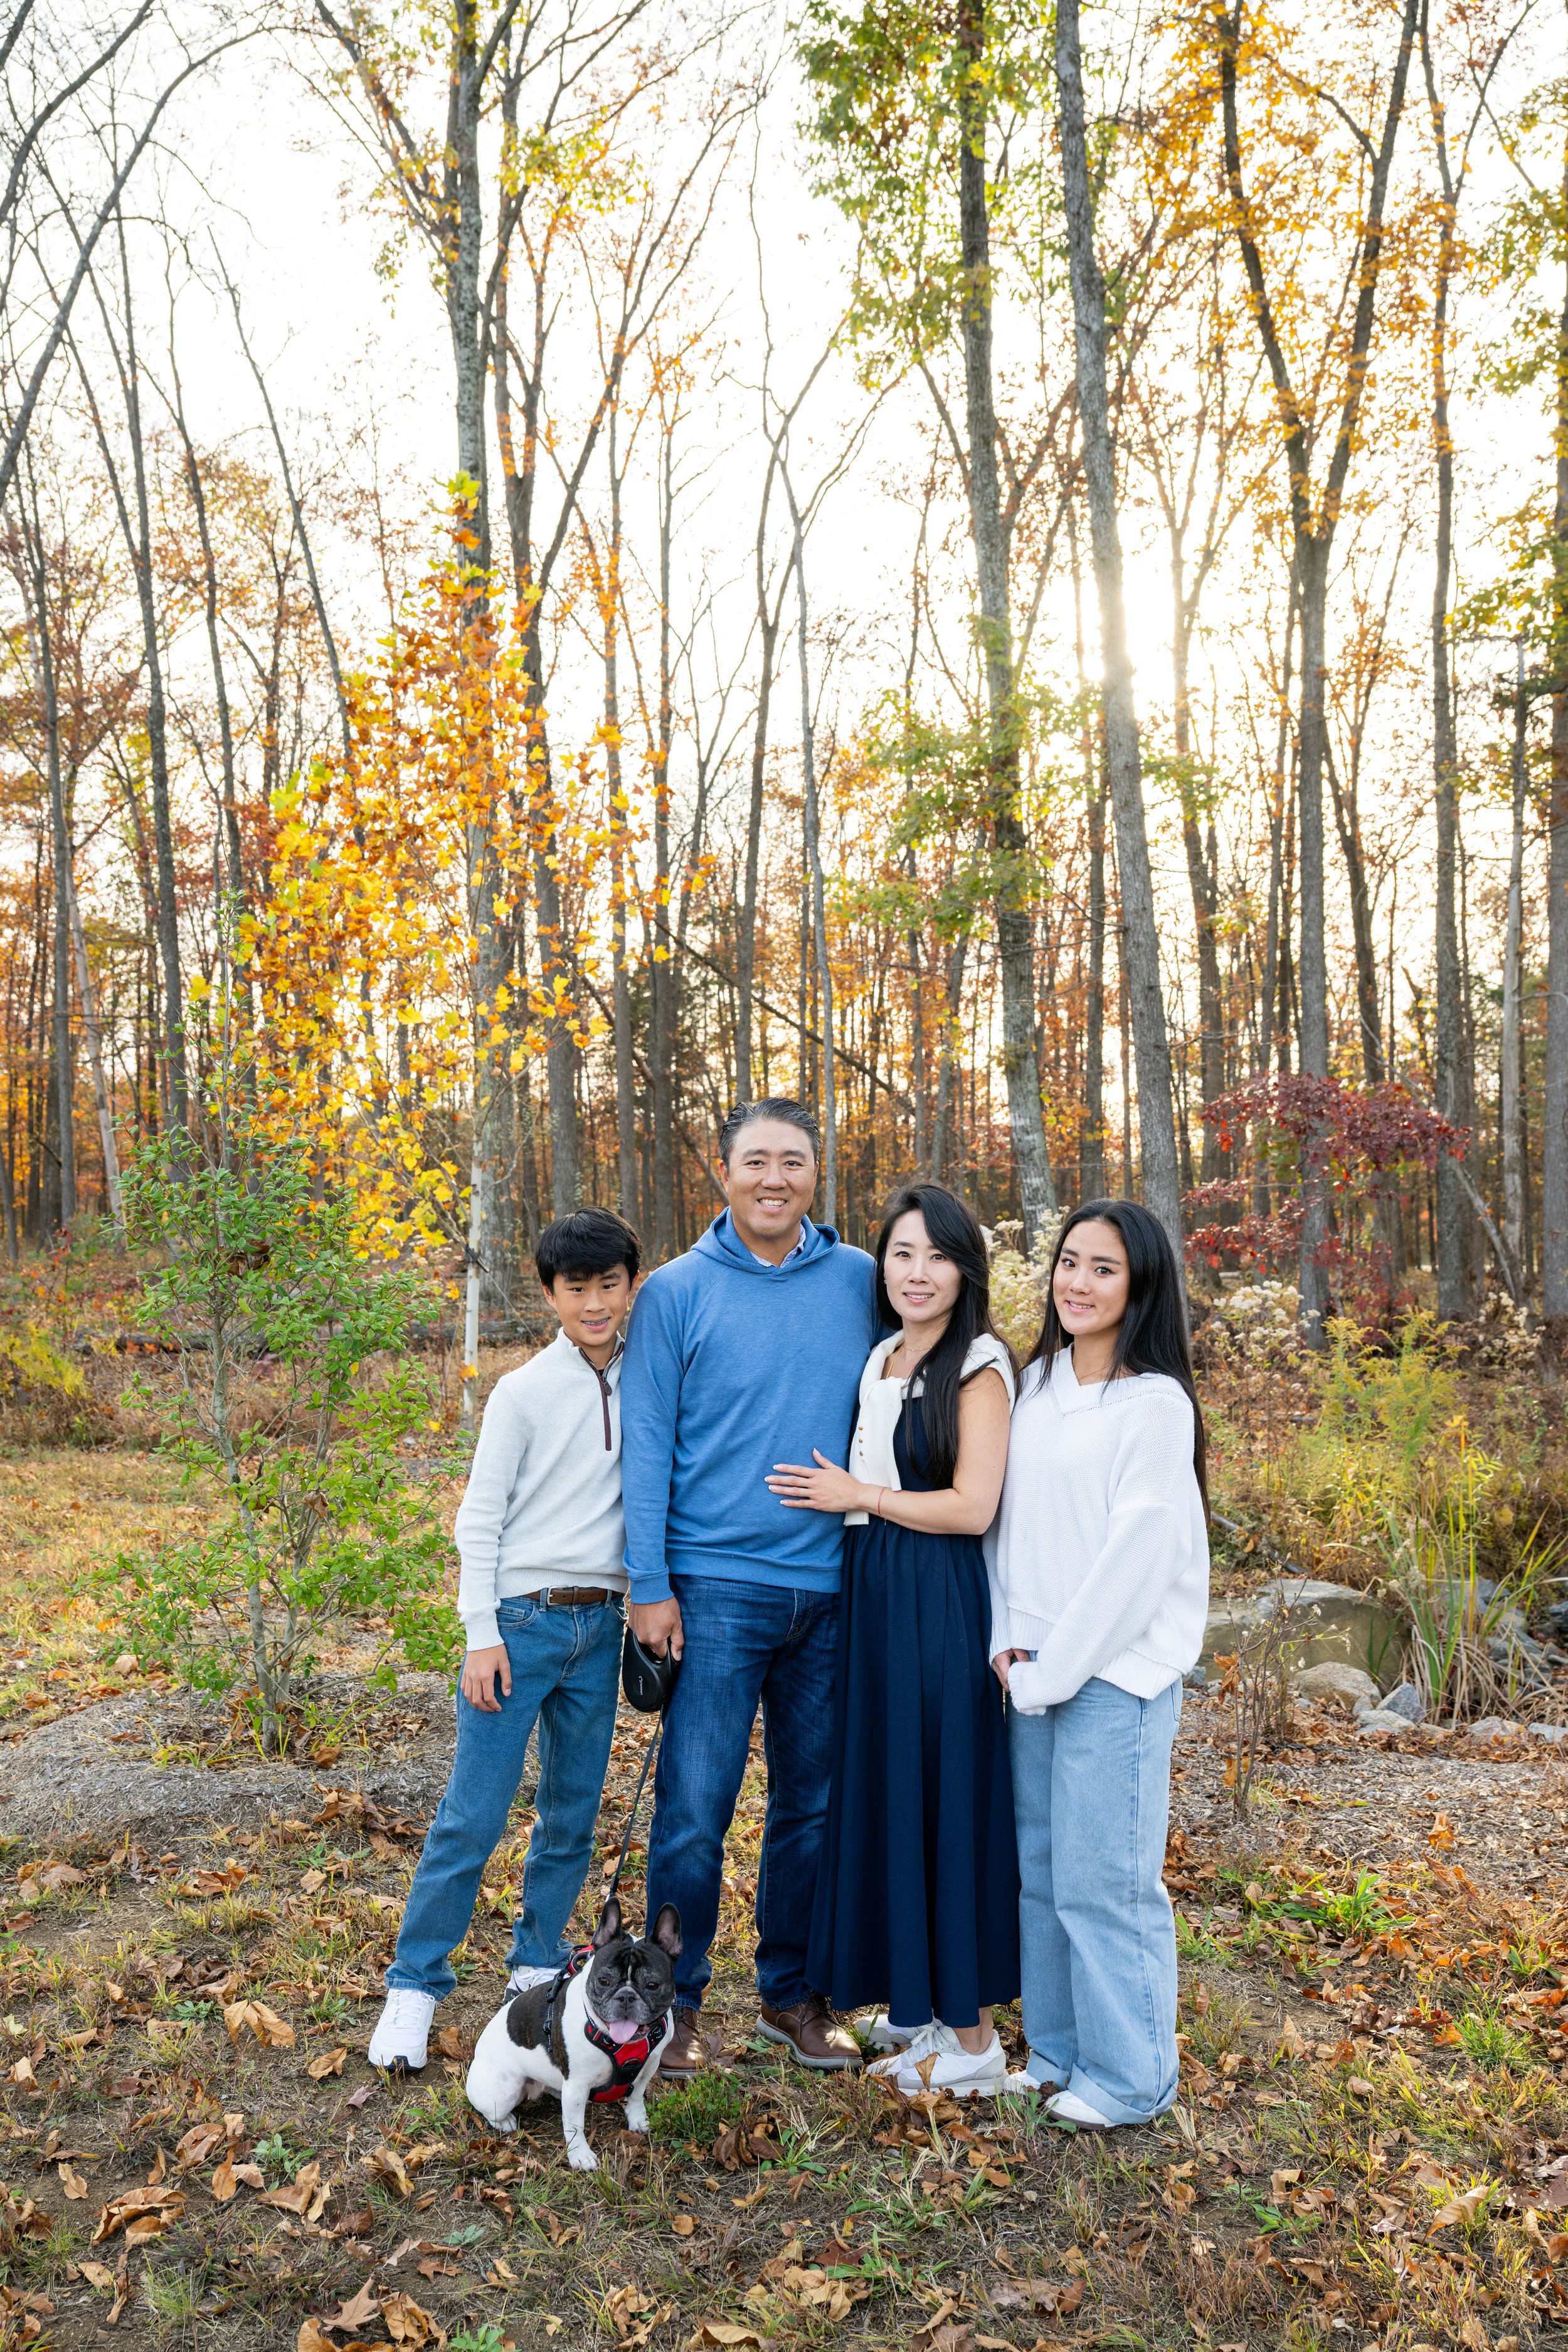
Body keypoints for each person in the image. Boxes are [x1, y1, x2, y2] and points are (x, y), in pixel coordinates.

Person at [620, 1099, 879, 2073]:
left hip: (834, 1587)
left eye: (795, 1161)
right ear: (722, 1173)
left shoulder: (861, 1280)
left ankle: (791, 1996)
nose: (776, 1178)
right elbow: (645, 1446)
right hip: (715, 1588)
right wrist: (650, 1583)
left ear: (818, 1173)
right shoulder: (677, 1293)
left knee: (810, 1805)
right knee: (694, 1805)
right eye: (757, 1160)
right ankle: (672, 2003)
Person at [368, 1207, 642, 2072]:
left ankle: (535, 1963)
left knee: (569, 1813)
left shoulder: (652, 1380)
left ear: (632, 1284)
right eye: (577, 1288)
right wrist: (479, 1631)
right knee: (473, 1814)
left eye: (609, 1284)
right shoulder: (522, 1391)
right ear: (550, 1292)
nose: (595, 1302)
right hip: (520, 1623)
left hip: (602, 1626)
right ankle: (414, 1984)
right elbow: (478, 1521)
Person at [769, 1183, 1019, 2097]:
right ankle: (916, 2008)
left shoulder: (981, 1365)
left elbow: (973, 1504)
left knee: (939, 1795)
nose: (917, 1273)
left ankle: (976, 2040)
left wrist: (860, 1497)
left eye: (937, 1256)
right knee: (886, 1793)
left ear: (965, 1269)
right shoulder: (881, 1353)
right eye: (902, 1253)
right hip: (871, 1591)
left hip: (936, 1593)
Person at [988, 1199, 1209, 2129]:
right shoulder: (1033, 1383)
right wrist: (1006, 1642)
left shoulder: (1154, 1402)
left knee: (1105, 1878)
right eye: (1069, 1262)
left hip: (1113, 1673)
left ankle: (1132, 2076)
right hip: (1028, 1667)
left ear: (1140, 1284)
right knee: (1040, 1873)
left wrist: (1055, 1668)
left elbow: (1137, 1558)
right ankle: (1059, 2051)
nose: (1077, 1282)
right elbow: (1006, 1526)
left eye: (1103, 1268)